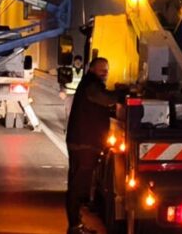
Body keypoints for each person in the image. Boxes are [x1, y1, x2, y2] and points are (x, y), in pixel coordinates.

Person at [65, 57, 123, 234]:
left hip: (82, 142)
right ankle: (74, 227)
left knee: (77, 185)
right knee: (78, 186)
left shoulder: (90, 83)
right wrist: (123, 94)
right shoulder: (91, 85)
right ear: (92, 69)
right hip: (84, 144)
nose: (105, 73)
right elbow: (104, 99)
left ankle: (77, 225)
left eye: (107, 69)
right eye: (101, 69)